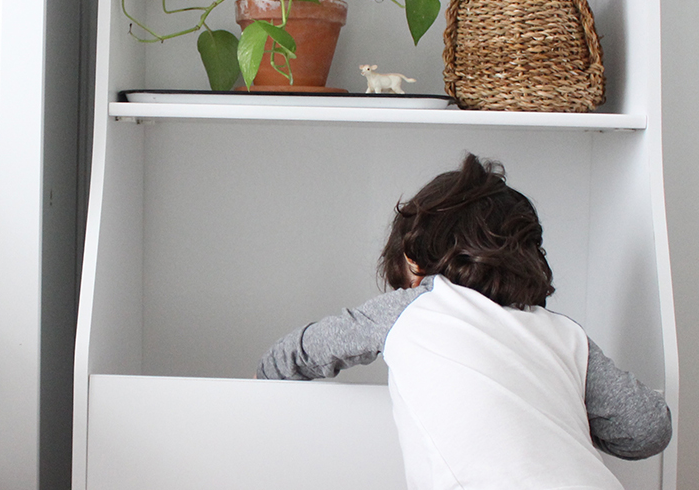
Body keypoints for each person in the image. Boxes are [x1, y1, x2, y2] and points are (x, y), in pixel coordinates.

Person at [258, 153, 671, 490]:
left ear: (412, 262)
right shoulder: (563, 333)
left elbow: (306, 349)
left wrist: (258, 388)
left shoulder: (415, 306)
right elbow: (649, 428)